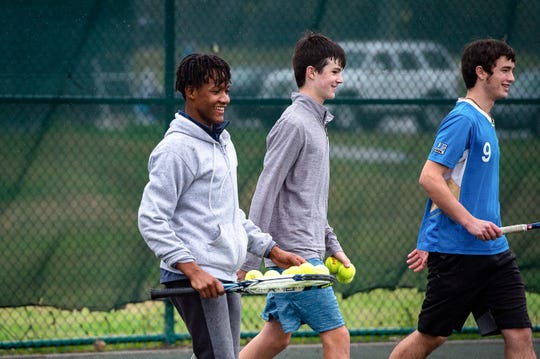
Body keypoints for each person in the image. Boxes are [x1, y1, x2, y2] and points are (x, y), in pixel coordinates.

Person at [138, 53, 305, 359]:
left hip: (222, 273)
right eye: (216, 91)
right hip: (195, 275)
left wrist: (272, 250)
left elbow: (230, 215)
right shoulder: (176, 150)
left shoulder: (223, 142)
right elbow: (151, 219)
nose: (225, 99)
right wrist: (193, 271)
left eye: (226, 90)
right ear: (191, 92)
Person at [389, 39, 536, 359]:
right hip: (457, 256)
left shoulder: (485, 120)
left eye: (513, 70)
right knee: (431, 337)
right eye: (505, 70)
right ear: (481, 72)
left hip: (495, 252)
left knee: (521, 333)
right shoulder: (463, 119)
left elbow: (451, 185)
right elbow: (430, 177)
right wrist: (465, 223)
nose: (511, 78)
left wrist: (427, 237)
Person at [239, 32, 352, 359]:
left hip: (304, 252)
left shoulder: (316, 123)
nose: (340, 79)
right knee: (338, 337)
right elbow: (265, 190)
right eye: (334, 71)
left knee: (276, 338)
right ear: (311, 73)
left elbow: (309, 202)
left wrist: (334, 246)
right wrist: (249, 261)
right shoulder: (294, 123)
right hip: (297, 259)